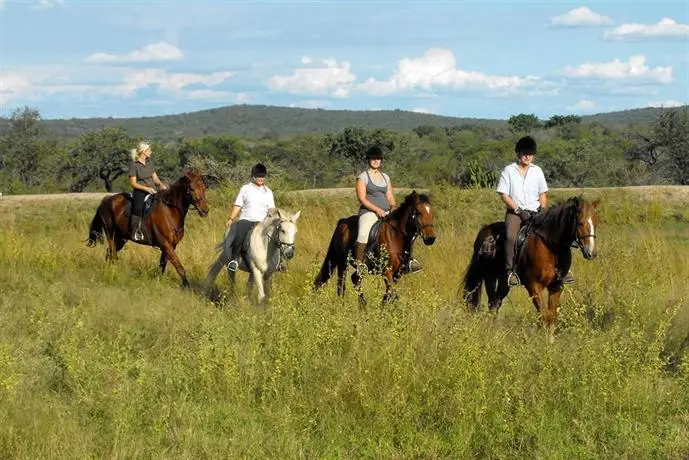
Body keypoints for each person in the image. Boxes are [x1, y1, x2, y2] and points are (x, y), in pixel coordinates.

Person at [496, 135, 574, 287]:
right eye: (525, 153)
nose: (527, 156)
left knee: (558, 234)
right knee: (511, 237)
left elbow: (543, 194)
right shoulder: (509, 170)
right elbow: (503, 194)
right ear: (518, 153)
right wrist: (518, 210)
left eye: (530, 154)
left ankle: (564, 271)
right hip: (515, 212)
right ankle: (510, 271)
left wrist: (543, 211)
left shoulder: (537, 171)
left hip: (536, 211)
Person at [353, 144, 422, 274]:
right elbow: (362, 198)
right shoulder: (363, 177)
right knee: (363, 232)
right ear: (368, 160)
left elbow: (390, 196)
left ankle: (409, 261)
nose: (376, 161)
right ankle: (360, 263)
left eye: (378, 158)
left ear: (381, 160)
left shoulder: (385, 177)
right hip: (369, 212)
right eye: (373, 158)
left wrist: (393, 207)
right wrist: (377, 210)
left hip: (387, 212)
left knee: (404, 229)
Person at [224, 163, 276, 271]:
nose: (261, 179)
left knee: (277, 236)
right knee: (240, 234)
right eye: (258, 176)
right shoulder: (245, 189)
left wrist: (272, 213)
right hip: (247, 219)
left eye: (262, 176)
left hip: (262, 221)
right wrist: (231, 218)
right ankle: (234, 260)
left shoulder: (268, 192)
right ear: (253, 176)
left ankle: (278, 262)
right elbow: (238, 205)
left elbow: (271, 208)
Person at [128, 141, 167, 241]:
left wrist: (161, 185)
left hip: (153, 189)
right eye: (149, 150)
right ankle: (135, 231)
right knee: (137, 207)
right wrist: (146, 188)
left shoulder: (150, 163)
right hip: (140, 190)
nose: (151, 151)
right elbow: (133, 183)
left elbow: (155, 178)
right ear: (143, 152)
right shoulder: (134, 165)